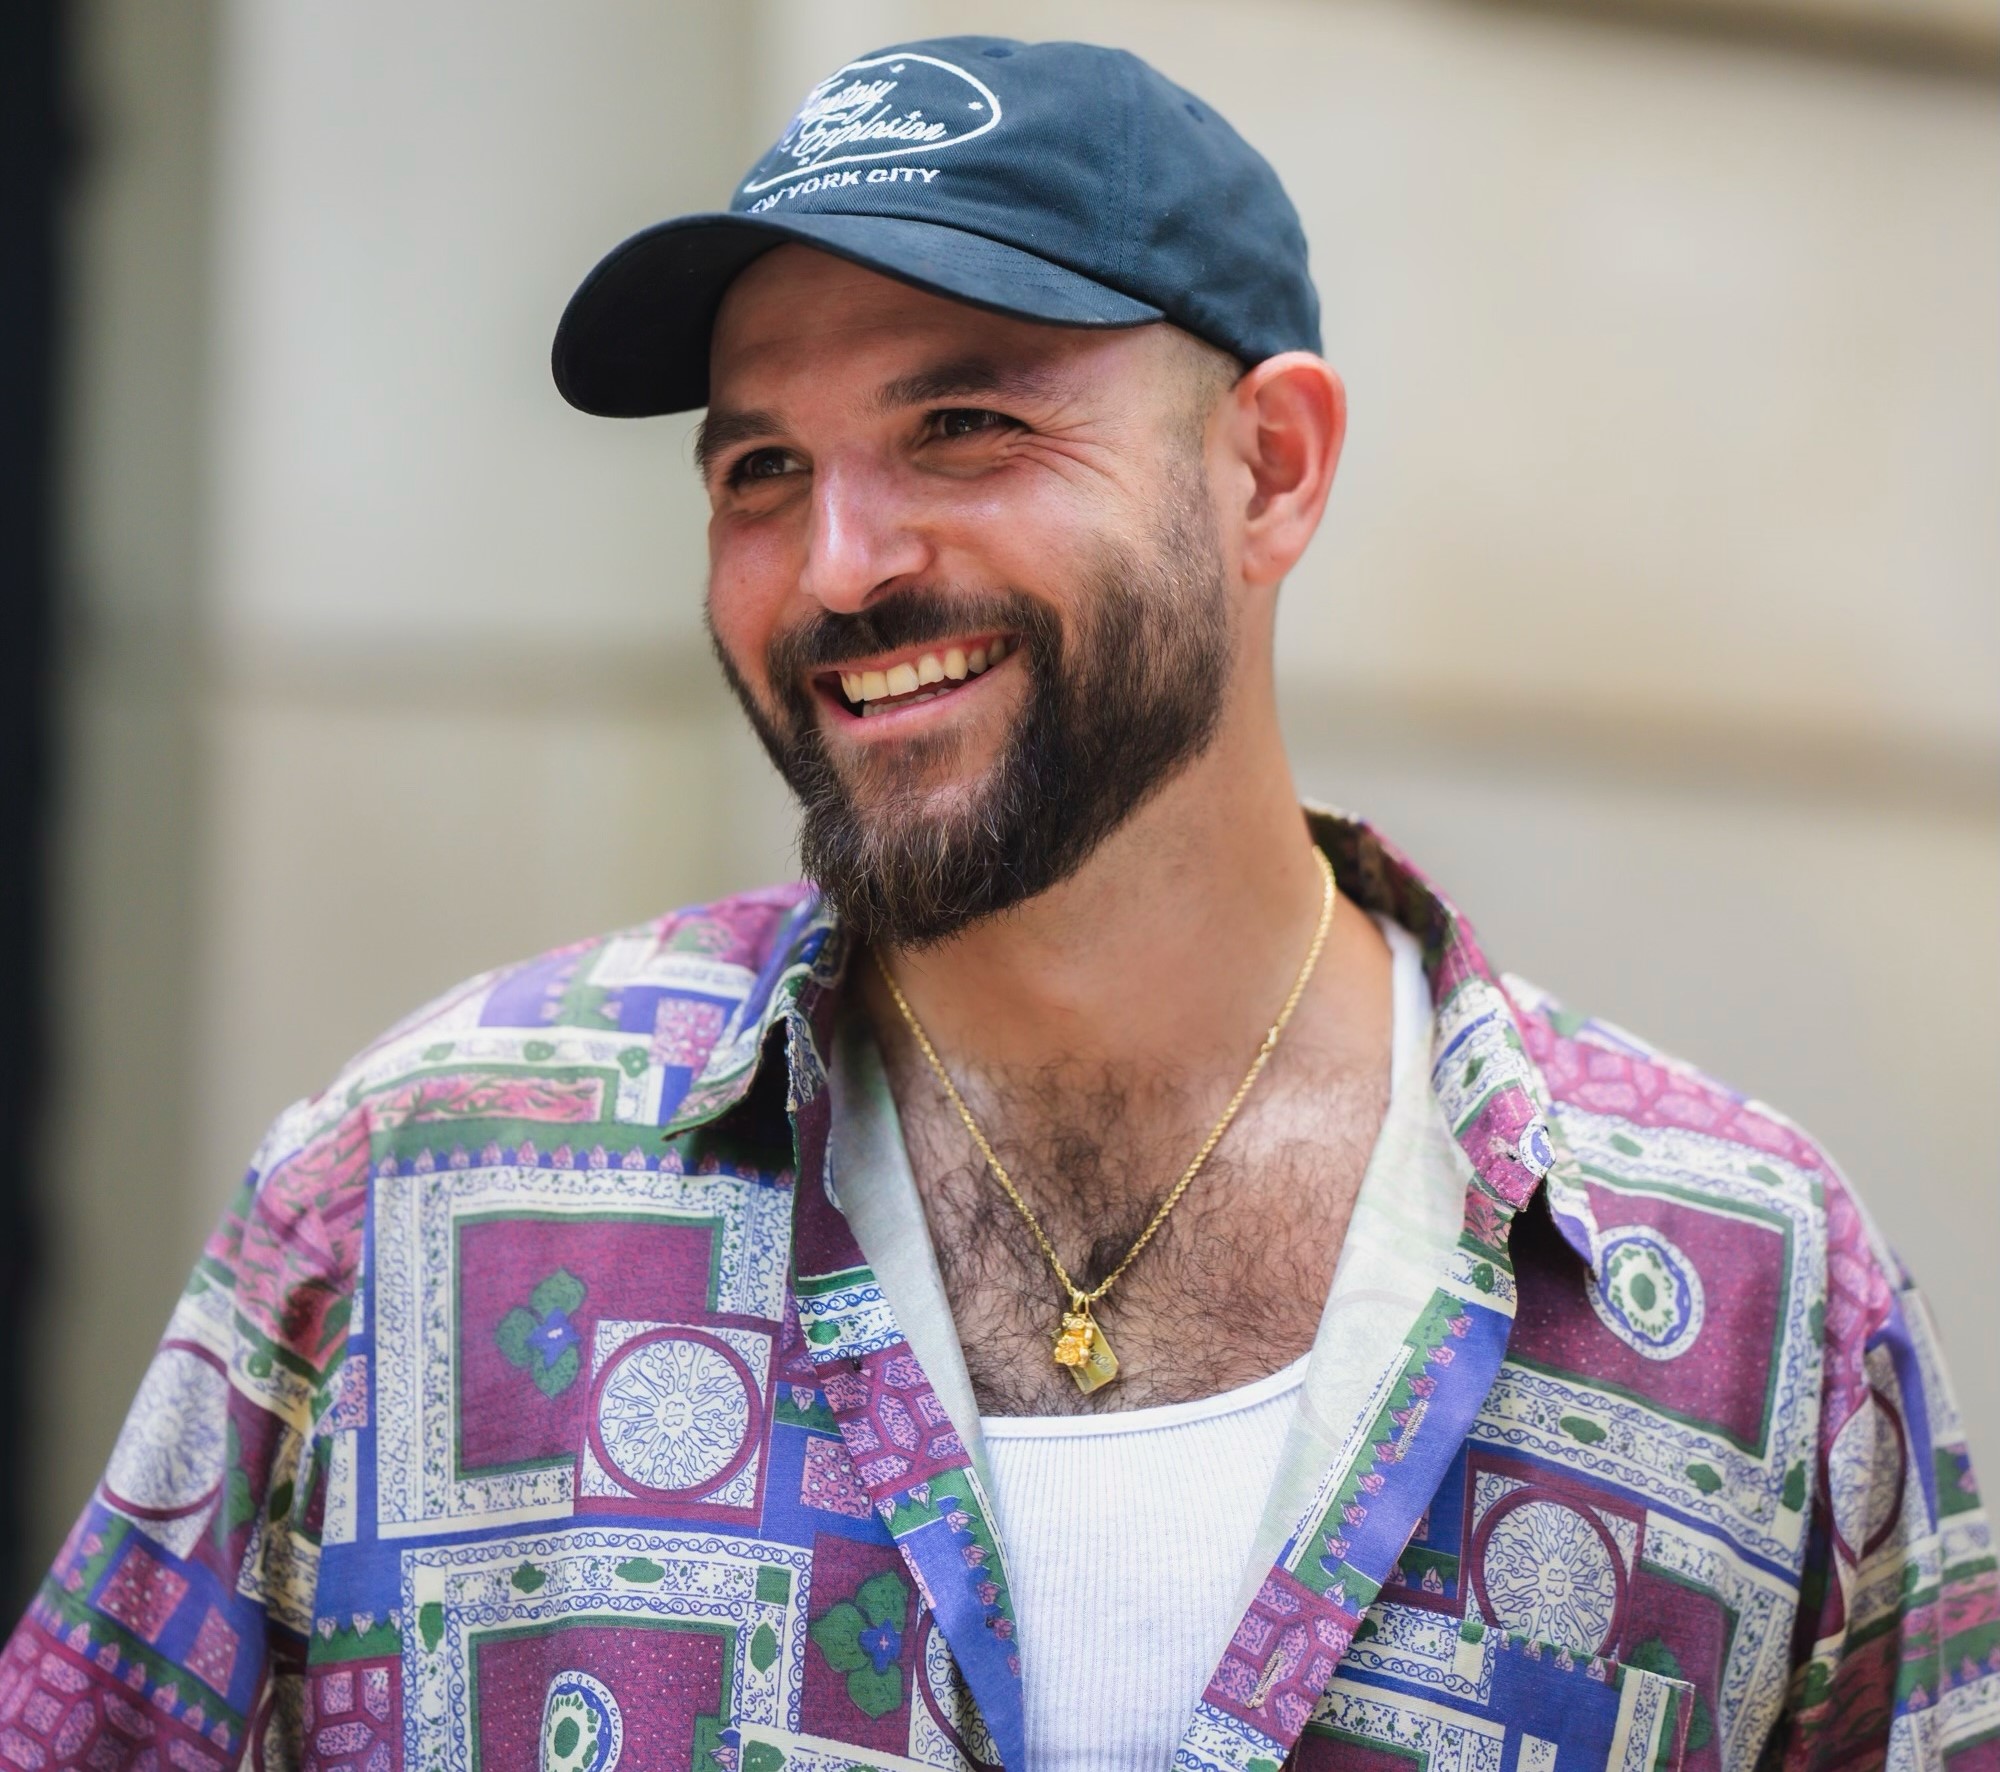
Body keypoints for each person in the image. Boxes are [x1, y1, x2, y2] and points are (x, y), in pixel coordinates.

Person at [2, 33, 1993, 1772]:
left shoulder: (1735, 1286)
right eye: (760, 467)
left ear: (1270, 471)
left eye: (963, 424)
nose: (840, 565)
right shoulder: (418, 1193)